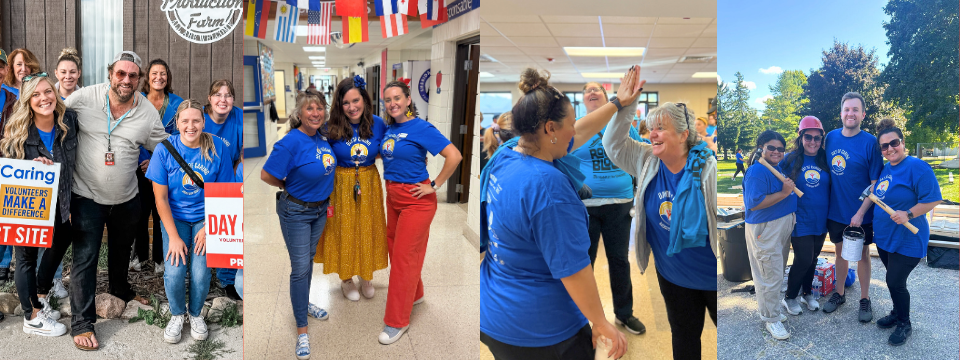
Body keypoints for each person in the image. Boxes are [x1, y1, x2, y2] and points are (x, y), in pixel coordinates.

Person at [480, 67, 641, 359]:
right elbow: (574, 270)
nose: (575, 130)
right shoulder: (550, 188)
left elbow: (581, 130)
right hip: (541, 330)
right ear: (550, 129)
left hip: (494, 311)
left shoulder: (506, 154)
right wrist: (601, 322)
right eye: (570, 123)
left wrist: (617, 102)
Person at [62, 51, 168, 351]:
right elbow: (52, 117)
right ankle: (82, 323)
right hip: (87, 196)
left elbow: (163, 146)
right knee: (86, 258)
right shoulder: (84, 97)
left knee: (121, 251)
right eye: (120, 74)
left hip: (127, 198)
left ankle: (121, 291)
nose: (126, 80)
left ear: (139, 80)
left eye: (133, 75)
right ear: (110, 74)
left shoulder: (146, 111)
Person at [604, 97, 718, 358]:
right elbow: (612, 144)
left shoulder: (707, 170)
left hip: (711, 277)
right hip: (673, 276)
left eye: (660, 128)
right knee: (684, 338)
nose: (651, 134)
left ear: (683, 135)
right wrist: (625, 104)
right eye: (650, 127)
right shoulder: (646, 160)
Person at [378, 79, 463, 345]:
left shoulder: (422, 127)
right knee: (396, 250)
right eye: (388, 100)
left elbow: (455, 156)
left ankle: (396, 321)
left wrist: (434, 185)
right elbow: (391, 155)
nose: (392, 104)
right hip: (393, 196)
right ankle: (415, 294)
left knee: (404, 258)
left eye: (397, 98)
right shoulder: (390, 128)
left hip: (417, 200)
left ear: (407, 100)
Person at [146, 99, 235, 344]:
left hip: (208, 217)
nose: (191, 126)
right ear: (177, 123)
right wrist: (173, 237)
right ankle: (177, 314)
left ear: (204, 122)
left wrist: (210, 226)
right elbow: (160, 199)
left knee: (200, 271)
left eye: (196, 120)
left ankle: (195, 314)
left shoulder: (217, 147)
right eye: (185, 121)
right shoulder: (164, 149)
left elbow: (226, 190)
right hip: (175, 218)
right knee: (174, 271)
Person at [260, 89, 334, 360]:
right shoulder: (291, 142)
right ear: (299, 113)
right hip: (296, 212)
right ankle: (302, 330)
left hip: (319, 211)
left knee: (308, 261)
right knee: (300, 268)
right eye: (310, 109)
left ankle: (304, 304)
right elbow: (266, 174)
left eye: (320, 109)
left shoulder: (322, 137)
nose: (316, 113)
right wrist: (288, 186)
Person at [3, 73, 78, 337]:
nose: (43, 98)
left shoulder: (68, 120)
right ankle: (31, 316)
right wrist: (28, 167)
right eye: (36, 94)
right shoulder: (18, 130)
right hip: (29, 200)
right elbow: (7, 167)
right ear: (28, 100)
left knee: (64, 236)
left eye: (47, 92)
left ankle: (39, 295)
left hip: (62, 199)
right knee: (25, 256)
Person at [571, 81, 646, 335]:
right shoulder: (576, 127)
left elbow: (639, 156)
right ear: (583, 100)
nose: (592, 92)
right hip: (584, 207)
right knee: (584, 263)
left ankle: (624, 314)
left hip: (619, 204)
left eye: (597, 89)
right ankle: (580, 318)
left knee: (619, 261)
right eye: (587, 90)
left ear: (606, 97)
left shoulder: (623, 124)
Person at [313, 77, 388, 301]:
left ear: (364, 100)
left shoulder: (378, 124)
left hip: (369, 182)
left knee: (368, 227)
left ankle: (366, 275)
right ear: (339, 105)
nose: (352, 107)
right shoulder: (329, 127)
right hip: (340, 184)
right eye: (346, 103)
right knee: (343, 229)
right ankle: (346, 278)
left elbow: (388, 150)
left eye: (356, 100)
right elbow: (316, 155)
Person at [870, 118, 941, 346]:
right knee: (893, 281)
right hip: (885, 238)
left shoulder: (917, 167)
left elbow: (933, 199)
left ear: (903, 142)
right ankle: (895, 312)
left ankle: (904, 323)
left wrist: (908, 214)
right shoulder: (885, 169)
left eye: (894, 143)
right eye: (884, 146)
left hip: (908, 238)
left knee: (895, 281)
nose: (890, 148)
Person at [822, 92, 883, 322]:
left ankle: (865, 299)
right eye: (847, 109)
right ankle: (839, 294)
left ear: (863, 114)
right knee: (840, 253)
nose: (851, 113)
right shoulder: (830, 138)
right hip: (836, 212)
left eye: (855, 110)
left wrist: (860, 212)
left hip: (862, 213)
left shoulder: (870, 143)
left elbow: (875, 184)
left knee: (864, 255)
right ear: (841, 113)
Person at [741, 130, 797, 340]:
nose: (776, 151)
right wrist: (784, 193)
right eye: (771, 147)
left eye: (780, 149)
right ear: (761, 148)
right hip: (766, 229)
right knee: (769, 274)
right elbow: (753, 204)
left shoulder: (776, 168)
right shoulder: (758, 171)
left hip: (779, 227)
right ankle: (770, 318)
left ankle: (772, 311)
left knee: (775, 271)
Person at [136, 59, 185, 274]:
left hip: (166, 167)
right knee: (139, 211)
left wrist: (156, 161)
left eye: (163, 73)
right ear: (147, 77)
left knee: (160, 211)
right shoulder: (137, 101)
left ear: (168, 77)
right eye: (154, 73)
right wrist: (142, 162)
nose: (159, 77)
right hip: (138, 167)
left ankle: (159, 259)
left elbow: (178, 137)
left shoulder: (176, 103)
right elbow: (132, 135)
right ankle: (138, 256)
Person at [780, 116, 830, 315]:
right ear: (800, 137)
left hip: (821, 219)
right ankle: (790, 297)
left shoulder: (824, 159)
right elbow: (772, 173)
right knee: (803, 259)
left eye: (817, 138)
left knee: (814, 257)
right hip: (800, 218)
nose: (812, 142)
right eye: (808, 137)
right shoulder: (790, 159)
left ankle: (807, 293)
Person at [202, 79, 242, 298]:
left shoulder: (239, 117)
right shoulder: (199, 117)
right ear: (210, 98)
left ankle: (227, 279)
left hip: (229, 176)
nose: (223, 100)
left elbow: (248, 148)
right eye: (218, 95)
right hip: (202, 175)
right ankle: (201, 271)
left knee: (230, 221)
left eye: (227, 95)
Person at [0, 49, 16, 283]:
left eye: (1, 66)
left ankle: (3, 265)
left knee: (8, 217)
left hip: (7, 168)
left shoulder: (14, 100)